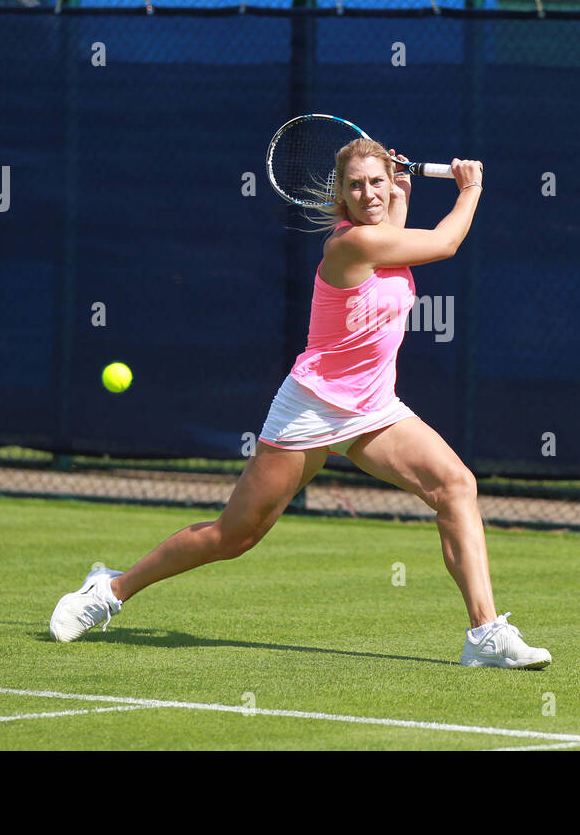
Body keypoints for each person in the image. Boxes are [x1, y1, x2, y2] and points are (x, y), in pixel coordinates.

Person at [50, 138, 551, 669]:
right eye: (356, 185)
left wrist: (399, 196)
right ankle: (108, 591)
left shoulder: (380, 236)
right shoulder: (348, 246)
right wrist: (471, 188)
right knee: (234, 536)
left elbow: (396, 239)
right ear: (341, 193)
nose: (368, 192)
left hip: (373, 408)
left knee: (456, 485)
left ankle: (485, 635)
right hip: (312, 405)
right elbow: (445, 243)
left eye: (377, 181)